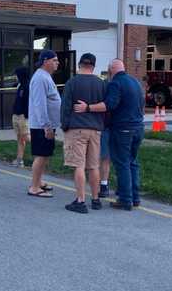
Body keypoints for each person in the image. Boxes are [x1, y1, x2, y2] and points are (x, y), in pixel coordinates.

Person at [74, 59, 144, 211]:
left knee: (122, 163)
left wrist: (88, 108)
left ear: (111, 70)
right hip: (138, 127)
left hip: (123, 128)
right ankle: (135, 197)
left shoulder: (115, 83)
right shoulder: (135, 82)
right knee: (133, 162)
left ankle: (125, 200)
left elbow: (109, 105)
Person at [60, 53, 107, 213]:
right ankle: (95, 199)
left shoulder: (72, 83)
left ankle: (80, 201)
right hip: (96, 129)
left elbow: (65, 107)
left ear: (79, 65)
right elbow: (105, 107)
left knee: (78, 165)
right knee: (93, 166)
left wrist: (65, 126)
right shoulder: (101, 84)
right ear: (93, 66)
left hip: (77, 128)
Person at [27, 50, 61, 198]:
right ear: (45, 61)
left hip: (48, 124)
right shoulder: (40, 78)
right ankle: (34, 187)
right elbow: (39, 104)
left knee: (45, 155)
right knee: (41, 155)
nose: (57, 63)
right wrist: (46, 126)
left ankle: (39, 181)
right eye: (54, 60)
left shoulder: (45, 76)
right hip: (42, 126)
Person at [10, 67, 30, 168]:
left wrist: (26, 115)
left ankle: (41, 150)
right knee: (19, 138)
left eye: (17, 75)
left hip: (23, 116)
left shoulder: (27, 86)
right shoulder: (20, 86)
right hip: (16, 115)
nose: (15, 77)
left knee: (26, 137)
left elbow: (29, 102)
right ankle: (19, 159)